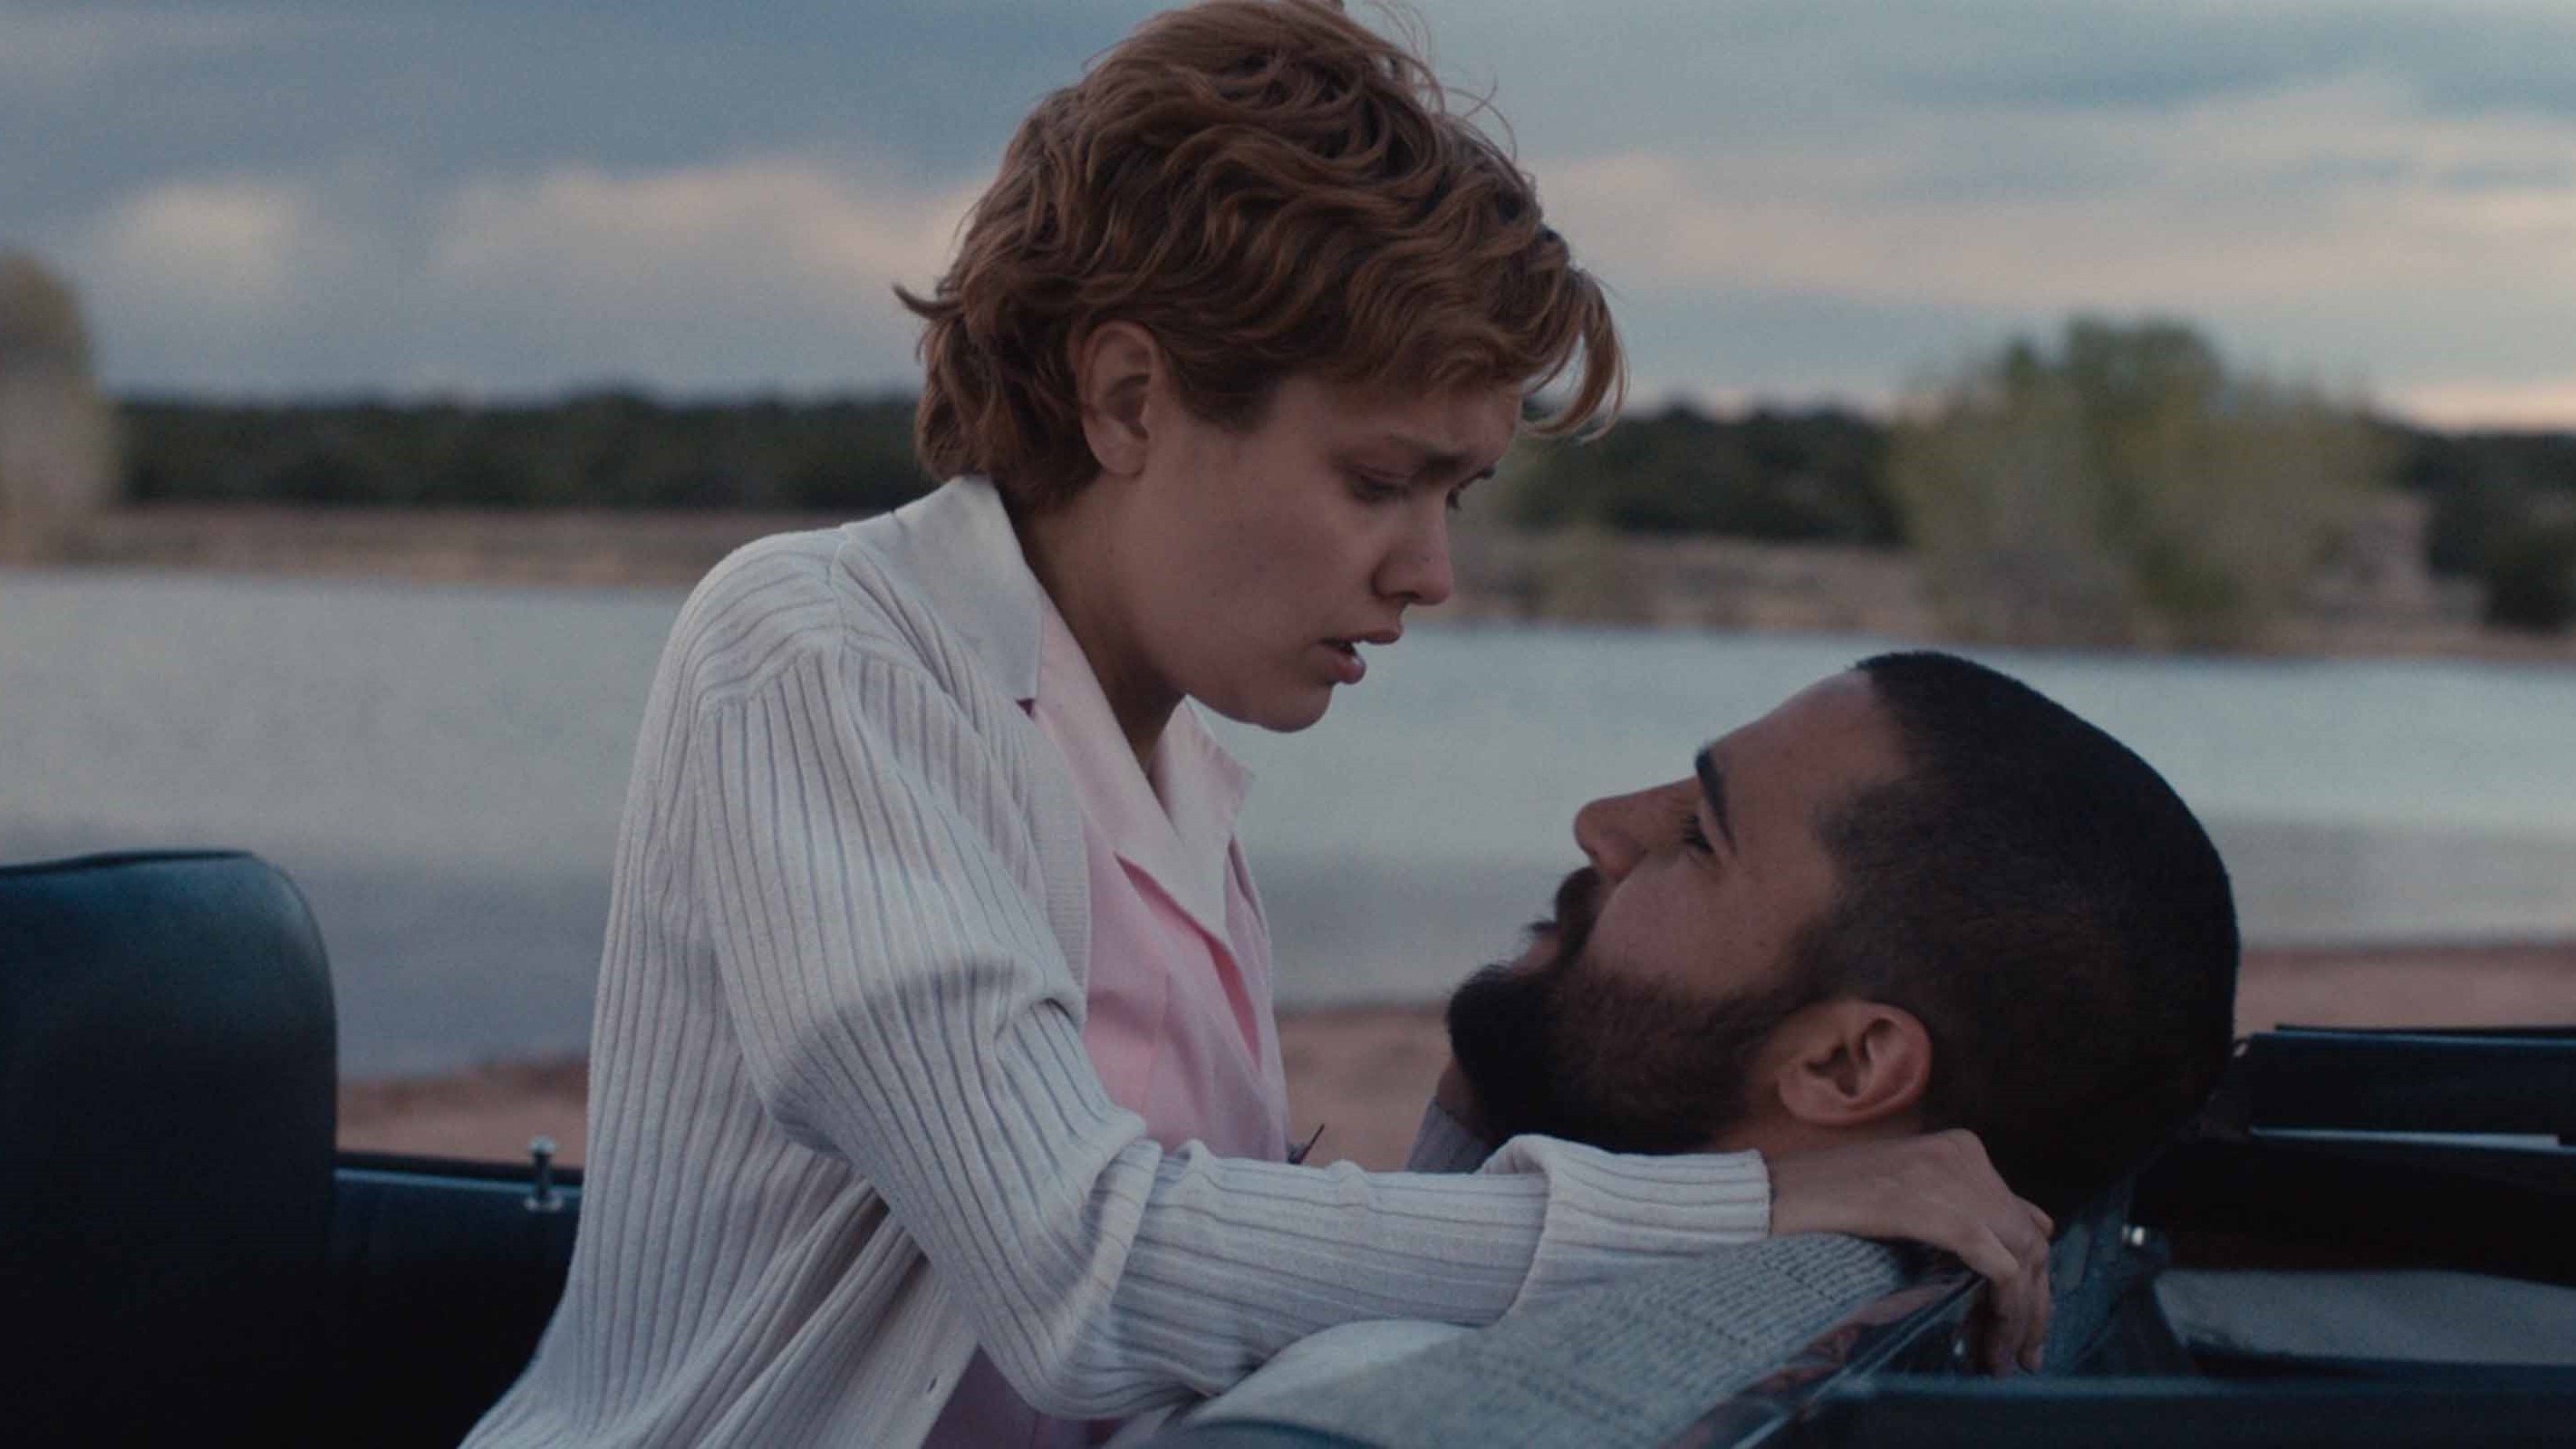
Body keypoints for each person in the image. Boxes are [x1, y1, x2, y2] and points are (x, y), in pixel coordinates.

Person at [466, 7, 2050, 1446]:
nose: (1428, 571)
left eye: (1453, 494)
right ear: (1129, 399)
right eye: (1378, 480)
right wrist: (1753, 1201)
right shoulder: (820, 653)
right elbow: (1086, 1275)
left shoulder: (1165, 772)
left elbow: (1201, 1320)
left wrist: (1493, 1106)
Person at [1161, 652, 2240, 1437]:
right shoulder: (1861, 1350)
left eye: (1695, 835)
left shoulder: (1370, 1387)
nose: (1601, 822)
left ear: (1843, 1067)